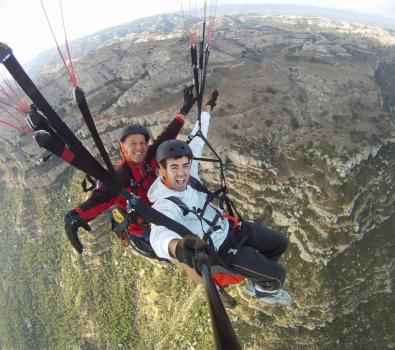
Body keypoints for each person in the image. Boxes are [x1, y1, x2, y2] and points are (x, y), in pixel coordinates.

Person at [148, 105, 292, 306]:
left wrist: (206, 110)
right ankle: (266, 293)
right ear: (162, 169)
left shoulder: (192, 178)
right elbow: (159, 236)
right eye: (174, 167)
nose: (181, 173)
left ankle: (255, 284)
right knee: (277, 277)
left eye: (185, 166)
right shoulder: (165, 204)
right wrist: (177, 248)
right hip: (222, 250)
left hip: (231, 229)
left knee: (280, 243)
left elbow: (197, 140)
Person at [64, 86, 198, 255]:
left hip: (162, 214)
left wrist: (184, 109)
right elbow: (100, 198)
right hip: (144, 232)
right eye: (133, 144)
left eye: (142, 143)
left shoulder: (149, 158)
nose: (139, 148)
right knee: (188, 252)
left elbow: (167, 135)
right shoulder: (120, 177)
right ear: (123, 148)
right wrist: (75, 215)